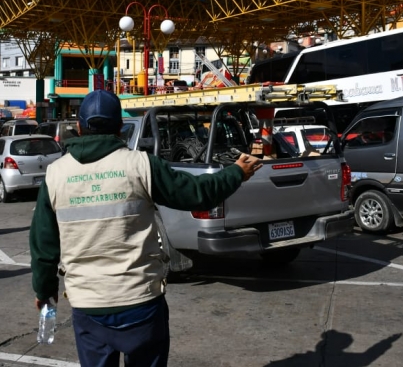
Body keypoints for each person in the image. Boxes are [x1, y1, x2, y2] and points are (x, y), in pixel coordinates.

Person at [29, 90, 262, 367]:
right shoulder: (140, 165)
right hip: (140, 301)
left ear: (78, 127)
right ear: (119, 127)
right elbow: (197, 193)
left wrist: (45, 292)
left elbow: (43, 246)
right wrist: (236, 172)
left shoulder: (56, 175)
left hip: (88, 305)